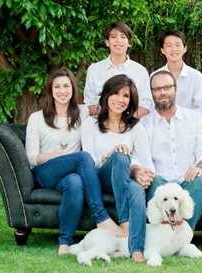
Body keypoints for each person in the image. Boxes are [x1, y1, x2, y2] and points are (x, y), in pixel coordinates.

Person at [25, 67, 124, 256]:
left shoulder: (84, 113)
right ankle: (101, 216)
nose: (62, 91)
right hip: (45, 173)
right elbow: (31, 157)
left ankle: (65, 242)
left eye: (66, 86)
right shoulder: (36, 118)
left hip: (71, 175)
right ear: (51, 90)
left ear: (73, 90)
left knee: (75, 182)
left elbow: (112, 106)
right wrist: (62, 157)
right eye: (57, 87)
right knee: (83, 157)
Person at [81, 74, 155, 262]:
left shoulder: (136, 127)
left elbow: (148, 164)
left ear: (131, 101)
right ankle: (124, 221)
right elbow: (88, 162)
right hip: (100, 179)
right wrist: (111, 156)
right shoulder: (90, 124)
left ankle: (136, 249)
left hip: (125, 179)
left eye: (126, 96)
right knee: (121, 155)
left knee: (137, 190)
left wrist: (140, 172)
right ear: (107, 96)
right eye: (116, 94)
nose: (120, 100)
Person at [142, 70, 202, 230]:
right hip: (159, 181)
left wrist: (200, 167)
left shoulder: (194, 118)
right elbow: (138, 157)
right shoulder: (144, 123)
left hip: (188, 181)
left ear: (176, 89)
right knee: (155, 182)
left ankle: (183, 236)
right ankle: (163, 234)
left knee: (200, 181)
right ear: (152, 93)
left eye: (167, 87)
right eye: (157, 89)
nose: (162, 92)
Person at [84, 21, 153, 118]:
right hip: (101, 125)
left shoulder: (140, 71)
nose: (118, 40)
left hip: (131, 126)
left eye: (123, 37)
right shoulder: (94, 70)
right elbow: (90, 104)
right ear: (107, 42)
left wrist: (125, 121)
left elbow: (146, 104)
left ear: (129, 43)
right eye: (113, 37)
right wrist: (110, 121)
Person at [151, 30, 202, 118]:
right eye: (169, 46)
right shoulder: (155, 76)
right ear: (162, 50)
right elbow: (151, 106)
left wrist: (184, 121)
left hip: (189, 126)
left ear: (185, 48)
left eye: (177, 45)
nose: (174, 49)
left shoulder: (196, 76)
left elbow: (201, 109)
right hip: (162, 125)